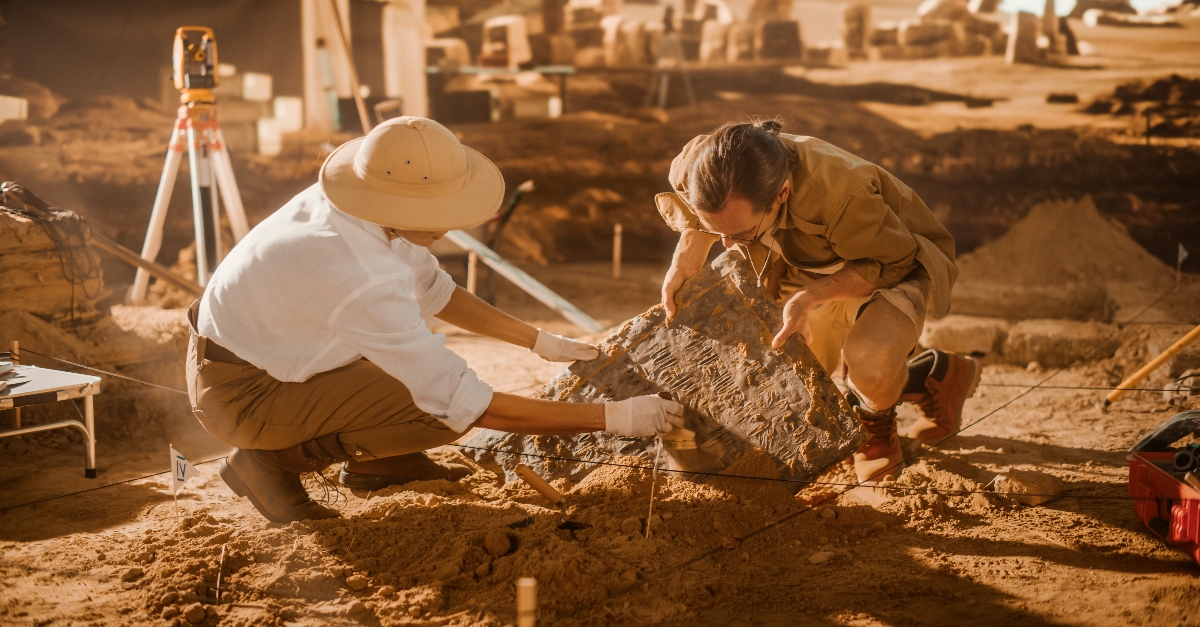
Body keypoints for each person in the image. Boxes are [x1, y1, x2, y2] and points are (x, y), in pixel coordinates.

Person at [186, 117, 682, 523]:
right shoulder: (362, 272)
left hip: (255, 354)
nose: (451, 224)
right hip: (242, 394)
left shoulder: (360, 206)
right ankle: (268, 463)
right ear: (398, 203)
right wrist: (616, 418)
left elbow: (434, 290)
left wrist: (538, 341)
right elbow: (467, 405)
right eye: (442, 209)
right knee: (437, 411)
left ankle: (379, 464)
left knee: (423, 378)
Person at [657, 120, 980, 483]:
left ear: (781, 193)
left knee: (869, 362)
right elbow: (694, 208)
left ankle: (876, 427)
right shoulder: (702, 164)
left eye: (743, 233)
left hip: (891, 261)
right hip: (809, 261)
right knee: (789, 385)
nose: (729, 245)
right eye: (720, 232)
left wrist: (807, 299)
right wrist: (689, 247)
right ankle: (935, 376)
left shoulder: (841, 193)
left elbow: (892, 262)